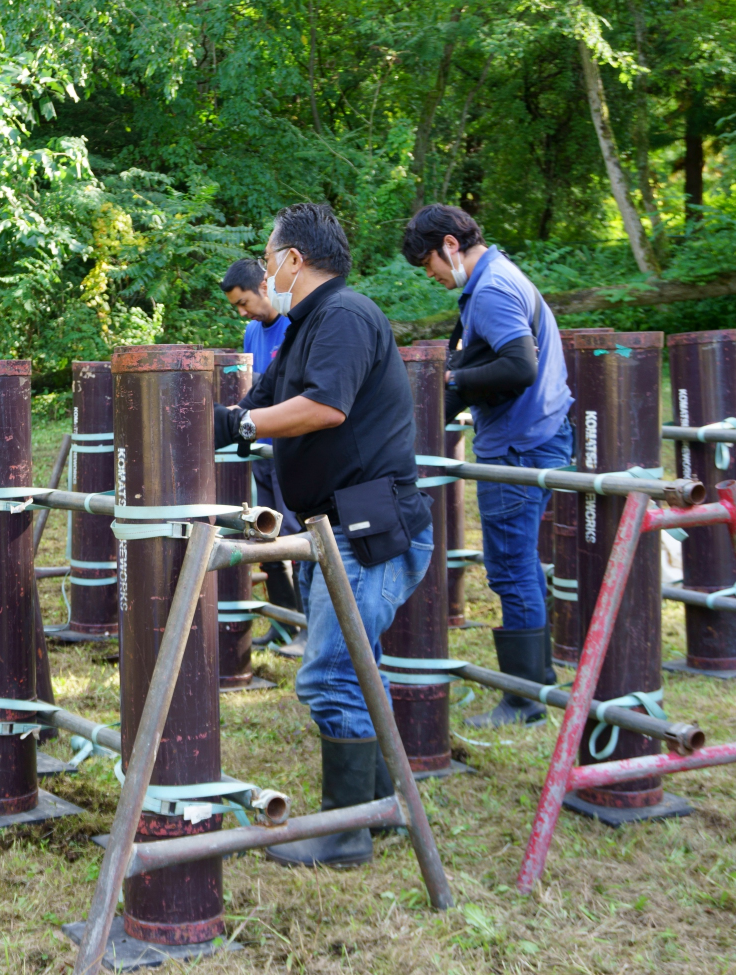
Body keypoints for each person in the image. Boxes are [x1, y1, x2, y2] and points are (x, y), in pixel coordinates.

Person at [214, 203, 433, 867]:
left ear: (293, 259)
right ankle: (380, 806)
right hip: (331, 529)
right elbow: (255, 407)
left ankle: (345, 833)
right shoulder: (305, 327)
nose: (265, 272)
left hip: (367, 530)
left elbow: (324, 407)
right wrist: (205, 421)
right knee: (359, 669)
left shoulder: (345, 315)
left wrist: (243, 427)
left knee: (333, 674)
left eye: (268, 257)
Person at [402, 204, 573, 728]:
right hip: (534, 435)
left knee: (510, 567)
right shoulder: (494, 279)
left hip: (520, 444)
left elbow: (519, 366)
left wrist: (451, 381)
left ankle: (523, 700)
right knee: (520, 565)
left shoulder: (494, 289)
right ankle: (538, 680)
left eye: (428, 263)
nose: (430, 275)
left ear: (450, 245)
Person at [220, 258, 303, 650]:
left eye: (244, 302)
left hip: (290, 450)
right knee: (264, 533)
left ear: (264, 287)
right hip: (260, 451)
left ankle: (309, 623)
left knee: (298, 535)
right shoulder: (253, 331)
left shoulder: (295, 326)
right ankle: (285, 623)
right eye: (236, 306)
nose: (242, 312)